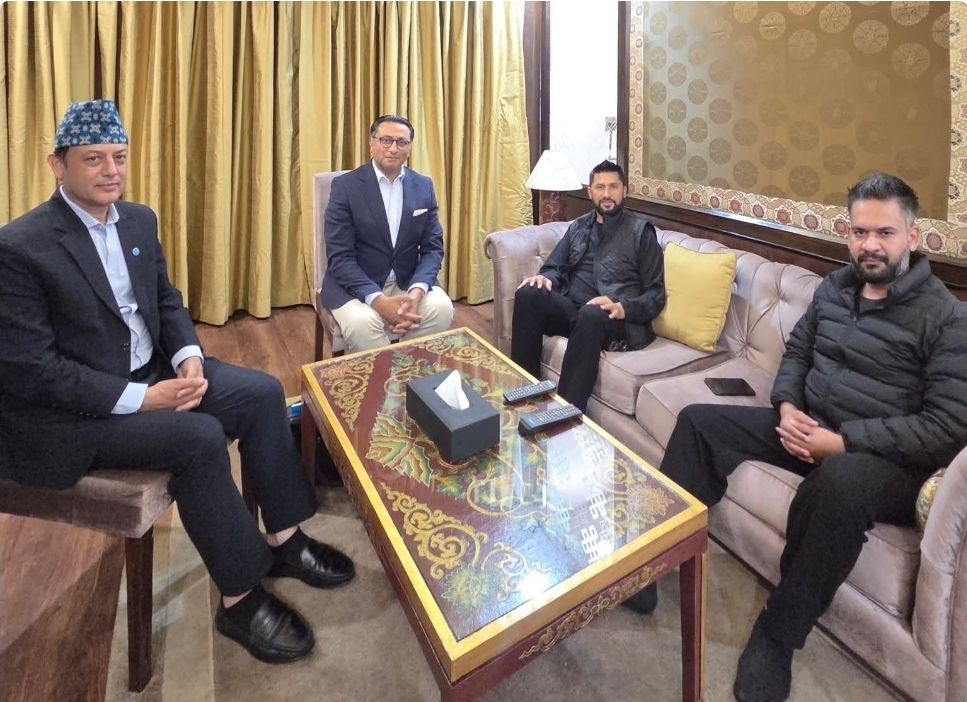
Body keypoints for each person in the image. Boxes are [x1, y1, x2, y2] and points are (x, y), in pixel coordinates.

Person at [0, 99, 356, 664]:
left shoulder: (138, 219)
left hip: (155, 372)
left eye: (119, 156)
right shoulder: (19, 248)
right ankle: (239, 598)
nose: (111, 170)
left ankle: (284, 539)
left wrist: (189, 355)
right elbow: (33, 372)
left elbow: (164, 300)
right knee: (199, 439)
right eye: (93, 158)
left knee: (262, 393)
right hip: (74, 414)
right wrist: (143, 399)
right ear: (57, 164)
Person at [624, 172, 967, 702]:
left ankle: (778, 633)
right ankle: (655, 559)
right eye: (859, 232)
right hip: (808, 425)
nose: (870, 245)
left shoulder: (945, 317)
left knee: (838, 485)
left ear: (912, 236)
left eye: (885, 233)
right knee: (698, 421)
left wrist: (843, 443)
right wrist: (785, 406)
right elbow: (799, 353)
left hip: (881, 462)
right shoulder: (835, 287)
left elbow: (945, 428)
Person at [509, 160, 665, 412]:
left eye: (613, 187)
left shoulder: (640, 233)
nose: (606, 194)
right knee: (529, 293)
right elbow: (554, 266)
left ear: (625, 190)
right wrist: (546, 278)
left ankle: (565, 413)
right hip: (575, 313)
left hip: (614, 322)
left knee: (591, 313)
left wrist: (622, 307)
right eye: (600, 187)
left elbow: (655, 295)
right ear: (590, 192)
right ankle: (525, 394)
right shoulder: (579, 226)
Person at [320, 114, 454, 352]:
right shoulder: (346, 187)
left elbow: (433, 249)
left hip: (406, 281)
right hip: (355, 285)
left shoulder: (423, 185)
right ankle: (387, 376)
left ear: (409, 148)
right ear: (371, 144)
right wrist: (378, 301)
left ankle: (411, 370)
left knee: (441, 308)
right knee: (363, 323)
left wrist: (416, 292)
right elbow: (340, 257)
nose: (393, 148)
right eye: (386, 140)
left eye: (402, 142)